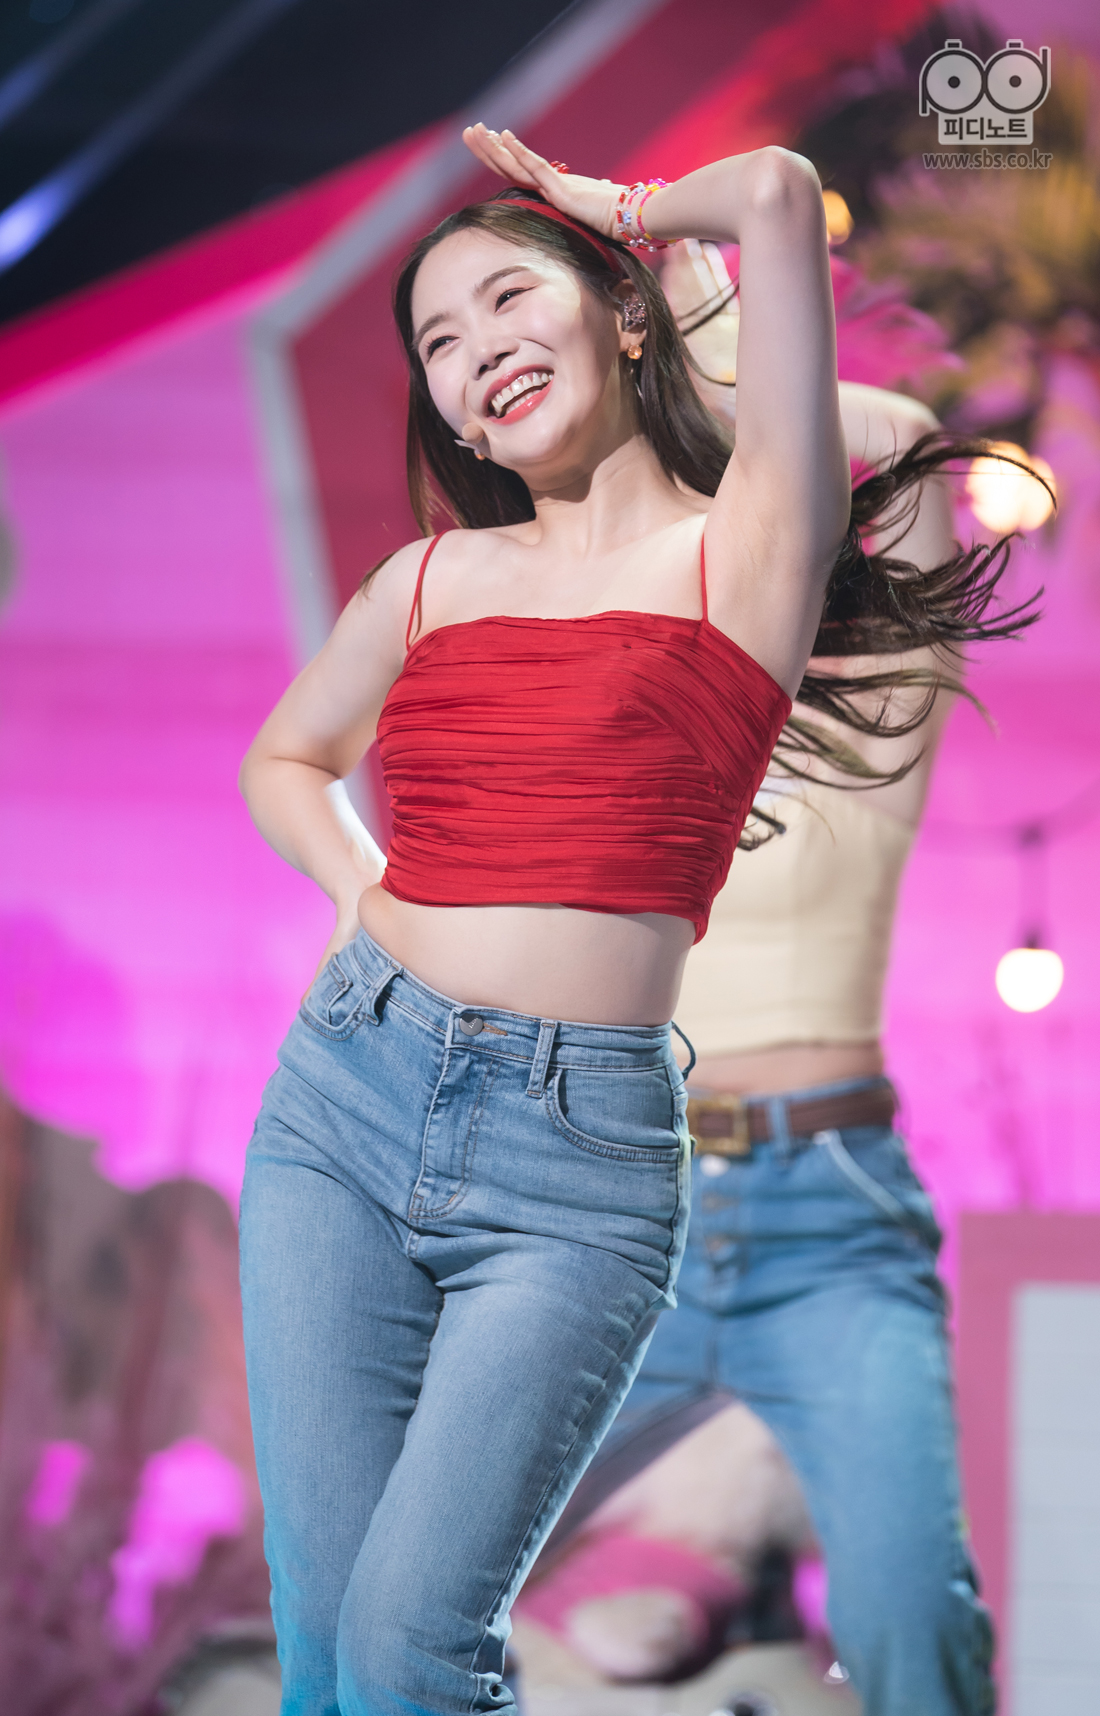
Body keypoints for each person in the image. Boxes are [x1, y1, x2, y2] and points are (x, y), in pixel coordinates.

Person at [237, 125, 1026, 1716]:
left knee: (408, 1648)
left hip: (575, 1157)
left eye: (506, 299)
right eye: (438, 344)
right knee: (322, 1647)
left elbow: (778, 194)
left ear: (627, 316)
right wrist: (355, 895)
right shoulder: (427, 579)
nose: (474, 353)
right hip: (342, 1103)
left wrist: (621, 211)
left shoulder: (746, 552)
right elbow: (285, 758)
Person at [512, 273, 995, 1712]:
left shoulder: (877, 722)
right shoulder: (622, 731)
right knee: (411, 1577)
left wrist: (714, 380)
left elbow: (911, 451)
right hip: (626, 1208)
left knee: (912, 1621)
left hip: (826, 1213)